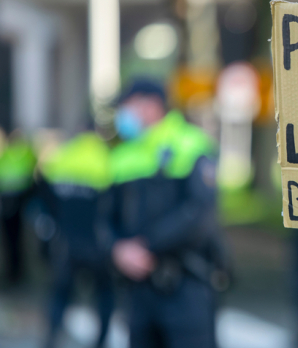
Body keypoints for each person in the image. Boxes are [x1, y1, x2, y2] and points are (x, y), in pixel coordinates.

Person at [105, 79, 227, 348]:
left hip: (186, 282)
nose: (123, 115)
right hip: (138, 287)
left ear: (152, 106)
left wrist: (146, 247)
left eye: (128, 106)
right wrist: (117, 249)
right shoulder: (123, 154)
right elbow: (106, 216)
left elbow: (200, 213)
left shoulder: (191, 144)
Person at [37, 132, 115, 348]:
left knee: (60, 293)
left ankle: (51, 337)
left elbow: (45, 197)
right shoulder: (105, 158)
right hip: (97, 244)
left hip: (65, 243)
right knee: (105, 293)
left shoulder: (63, 157)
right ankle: (102, 340)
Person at [0, 132, 36, 284]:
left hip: (10, 201)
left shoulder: (8, 155)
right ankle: (15, 272)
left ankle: (14, 273)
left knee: (12, 240)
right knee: (15, 240)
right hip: (17, 201)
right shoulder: (25, 153)